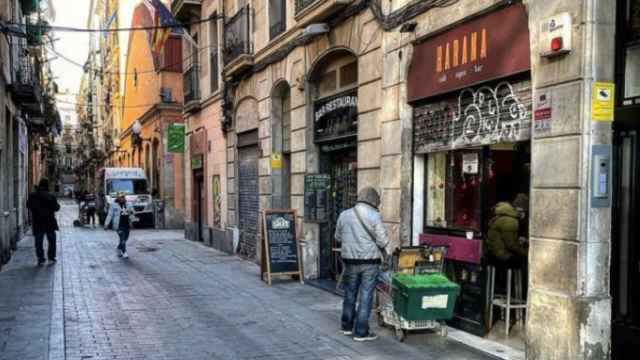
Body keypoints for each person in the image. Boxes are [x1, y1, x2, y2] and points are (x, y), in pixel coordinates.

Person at [335, 187, 391, 342]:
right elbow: (382, 240)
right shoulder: (374, 215)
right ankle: (361, 332)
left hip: (350, 261)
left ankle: (346, 326)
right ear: (374, 200)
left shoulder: (344, 215)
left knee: (350, 293)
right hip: (369, 262)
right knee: (366, 296)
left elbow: (338, 237)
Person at [486, 195, 529, 269]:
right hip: (500, 254)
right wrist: (526, 252)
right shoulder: (511, 220)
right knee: (523, 260)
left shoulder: (504, 214)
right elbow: (510, 245)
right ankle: (517, 280)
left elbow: (506, 237)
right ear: (520, 209)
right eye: (525, 211)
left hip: (492, 250)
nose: (525, 213)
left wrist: (519, 240)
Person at [26, 178, 61, 266]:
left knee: (38, 242)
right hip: (49, 222)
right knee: (52, 240)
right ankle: (51, 257)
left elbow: (28, 205)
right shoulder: (51, 196)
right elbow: (57, 208)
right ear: (47, 185)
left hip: (38, 221)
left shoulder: (33, 195)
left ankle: (41, 258)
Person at [104, 192, 136, 259]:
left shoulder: (128, 204)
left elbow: (132, 213)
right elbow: (110, 215)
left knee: (125, 238)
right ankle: (124, 252)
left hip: (127, 224)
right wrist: (106, 224)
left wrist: (132, 221)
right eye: (120, 197)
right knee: (122, 238)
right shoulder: (113, 205)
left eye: (123, 197)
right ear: (117, 198)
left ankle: (119, 248)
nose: (121, 198)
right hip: (118, 225)